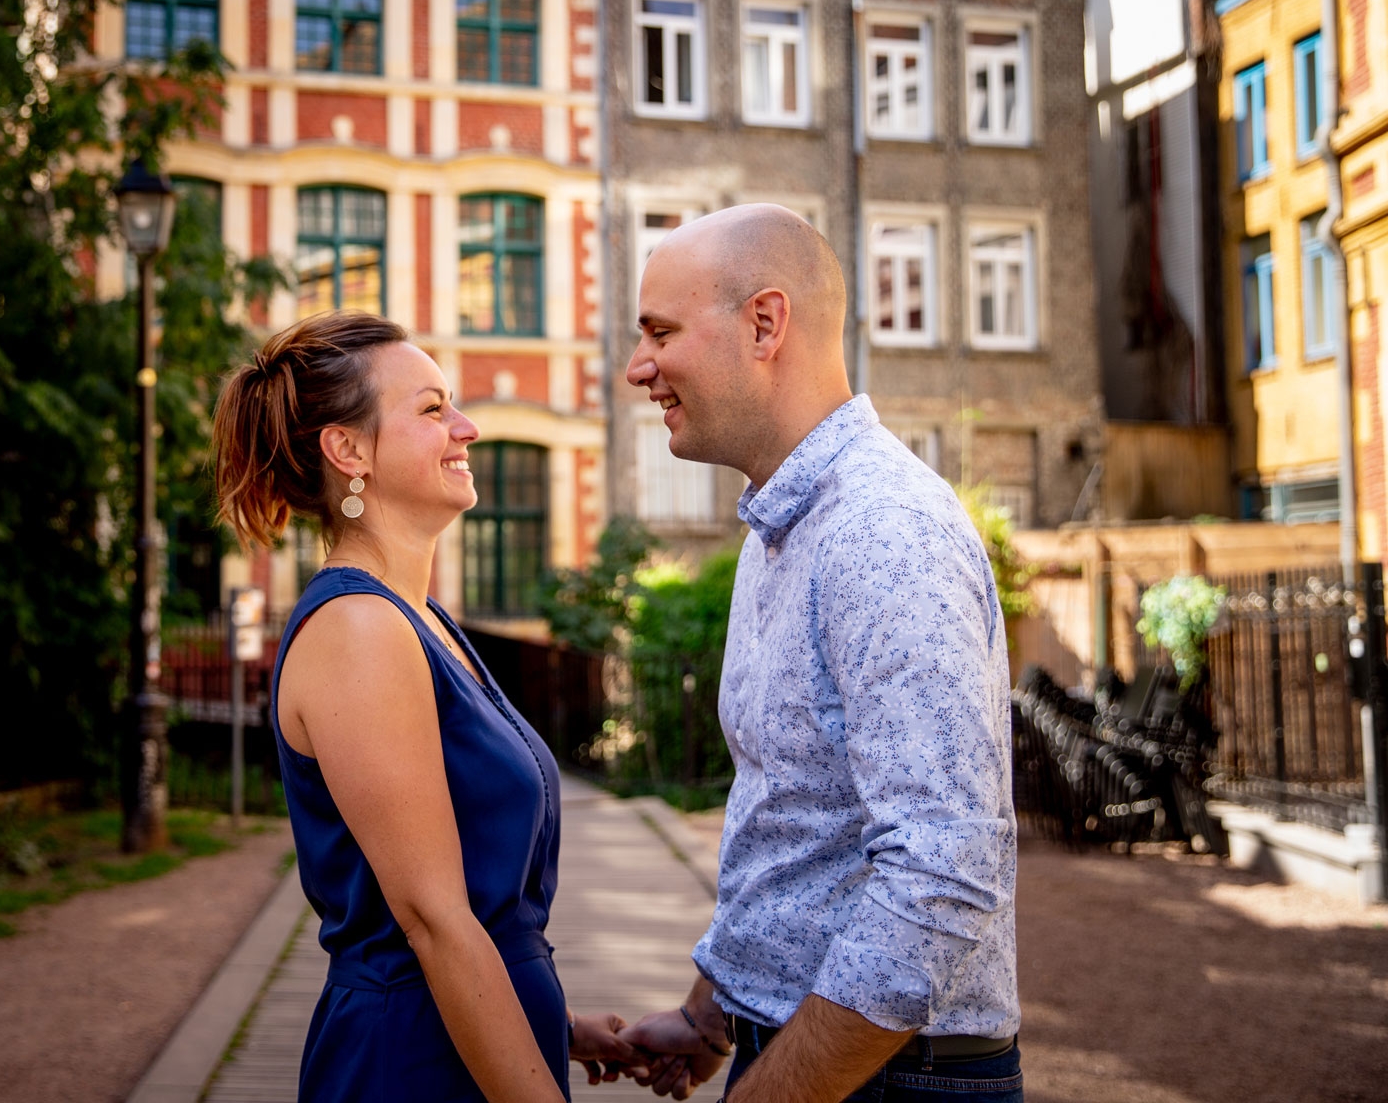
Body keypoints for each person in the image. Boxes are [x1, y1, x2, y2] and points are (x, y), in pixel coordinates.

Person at [615, 205, 1022, 1103]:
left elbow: (942, 873)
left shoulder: (884, 532)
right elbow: (795, 825)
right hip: (815, 1053)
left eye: (660, 332)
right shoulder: (784, 524)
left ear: (765, 324)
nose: (637, 367)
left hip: (889, 1079)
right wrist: (711, 1017)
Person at [211, 311, 645, 1102]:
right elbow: (433, 923)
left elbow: (468, 912)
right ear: (348, 451)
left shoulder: (419, 620)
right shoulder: (358, 630)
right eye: (432, 409)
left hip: (465, 1044)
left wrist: (557, 1024)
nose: (467, 427)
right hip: (408, 1067)